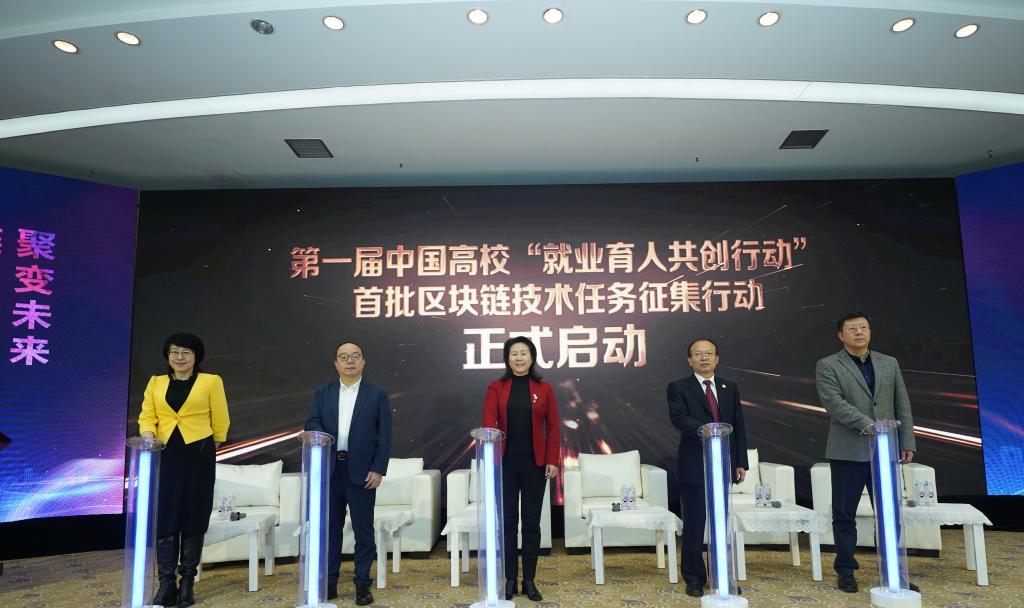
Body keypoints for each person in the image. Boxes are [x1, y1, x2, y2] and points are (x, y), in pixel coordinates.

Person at [816, 312, 918, 594]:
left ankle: (892, 571)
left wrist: (907, 440)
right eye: (852, 328)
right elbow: (834, 404)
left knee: (888, 514)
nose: (859, 332)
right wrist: (870, 425)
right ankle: (846, 570)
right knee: (844, 514)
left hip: (886, 450)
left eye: (864, 327)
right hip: (847, 450)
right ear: (841, 335)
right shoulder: (828, 365)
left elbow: (902, 404)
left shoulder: (889, 363)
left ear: (870, 332)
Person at [138, 333, 230, 608]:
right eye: (174, 352)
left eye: (186, 352)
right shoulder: (155, 382)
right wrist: (148, 438)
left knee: (193, 518)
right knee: (165, 519)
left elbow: (220, 418)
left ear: (196, 356)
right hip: (164, 455)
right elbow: (147, 416)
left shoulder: (211, 381)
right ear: (167, 355)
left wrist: (210, 443)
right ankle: (166, 585)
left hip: (198, 456)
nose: (179, 357)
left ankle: (187, 583)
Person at [306, 341, 392, 605]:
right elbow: (312, 421)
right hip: (330, 470)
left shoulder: (376, 394)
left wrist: (378, 469)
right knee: (330, 530)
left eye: (355, 356)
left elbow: (385, 436)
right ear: (336, 363)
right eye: (344, 357)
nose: (350, 361)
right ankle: (329, 583)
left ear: (363, 361)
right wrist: (318, 434)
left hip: (362, 473)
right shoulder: (323, 393)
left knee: (363, 531)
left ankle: (362, 585)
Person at [667, 338, 748, 598]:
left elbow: (738, 424)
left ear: (717, 358)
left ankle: (721, 576)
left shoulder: (729, 387)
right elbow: (679, 418)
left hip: (723, 465)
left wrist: (740, 461)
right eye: (698, 354)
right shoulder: (678, 387)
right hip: (694, 465)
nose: (704, 358)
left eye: (709, 354)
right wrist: (708, 430)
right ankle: (694, 577)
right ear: (690, 360)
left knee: (720, 523)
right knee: (694, 524)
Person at [482, 336, 560, 602]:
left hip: (535, 465)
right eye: (513, 353)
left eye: (523, 353)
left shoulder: (544, 388)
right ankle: (509, 580)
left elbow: (553, 426)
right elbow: (489, 423)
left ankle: (529, 580)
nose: (518, 358)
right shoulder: (496, 387)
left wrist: (552, 459)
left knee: (531, 523)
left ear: (532, 357)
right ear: (507, 358)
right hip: (505, 464)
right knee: (507, 523)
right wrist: (489, 456)